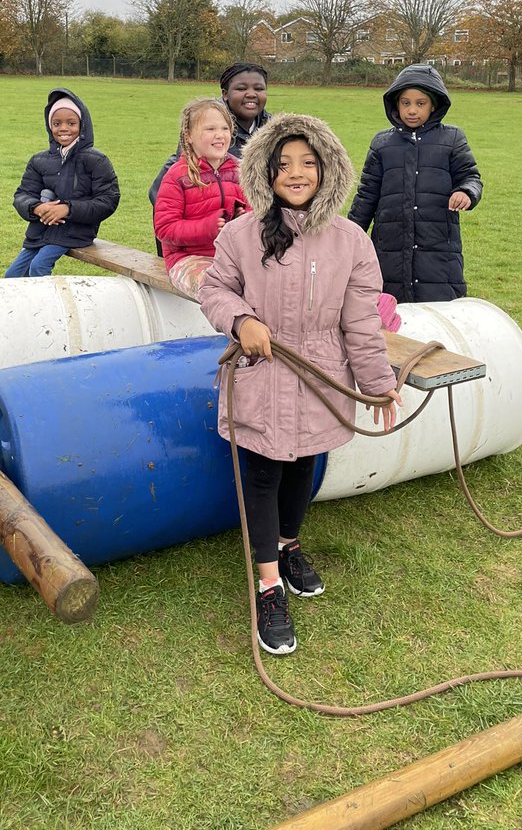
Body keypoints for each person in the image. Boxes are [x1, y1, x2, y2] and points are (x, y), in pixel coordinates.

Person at [199, 113, 401, 655]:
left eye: (308, 162)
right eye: (284, 163)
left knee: (304, 465)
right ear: (266, 170)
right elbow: (214, 290)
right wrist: (242, 321)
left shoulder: (352, 241)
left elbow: (361, 321)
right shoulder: (239, 234)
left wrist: (378, 381)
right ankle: (267, 583)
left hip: (321, 375)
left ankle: (288, 547)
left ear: (327, 170)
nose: (296, 172)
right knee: (264, 471)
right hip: (260, 375)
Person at [348, 64, 483, 303]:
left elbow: (470, 177)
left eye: (420, 103)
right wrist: (349, 234)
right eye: (405, 103)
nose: (412, 110)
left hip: (439, 248)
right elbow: (366, 195)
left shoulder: (452, 138)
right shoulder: (381, 143)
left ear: (434, 105)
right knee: (390, 315)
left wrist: (466, 192)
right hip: (390, 248)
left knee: (440, 314)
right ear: (395, 104)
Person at [147, 63, 270, 251]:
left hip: (237, 244)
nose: (251, 94)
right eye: (241, 88)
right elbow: (169, 217)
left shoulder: (275, 131)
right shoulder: (201, 126)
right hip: (192, 242)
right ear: (225, 93)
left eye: (259, 88)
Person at [5, 88, 120, 277]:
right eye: (57, 123)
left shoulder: (96, 160)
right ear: (50, 126)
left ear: (82, 125)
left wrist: (68, 209)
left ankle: (49, 306)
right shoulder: (39, 160)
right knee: (12, 276)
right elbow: (22, 194)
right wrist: (35, 208)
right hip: (40, 231)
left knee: (39, 267)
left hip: (74, 232)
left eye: (71, 123)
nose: (64, 128)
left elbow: (108, 200)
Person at [153, 98, 249, 298]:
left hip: (233, 257)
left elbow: (256, 214)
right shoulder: (177, 176)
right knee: (216, 286)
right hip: (188, 259)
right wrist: (209, 228)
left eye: (225, 128)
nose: (220, 135)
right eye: (210, 129)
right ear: (188, 136)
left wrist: (242, 219)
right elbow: (164, 229)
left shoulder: (241, 171)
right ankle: (231, 329)